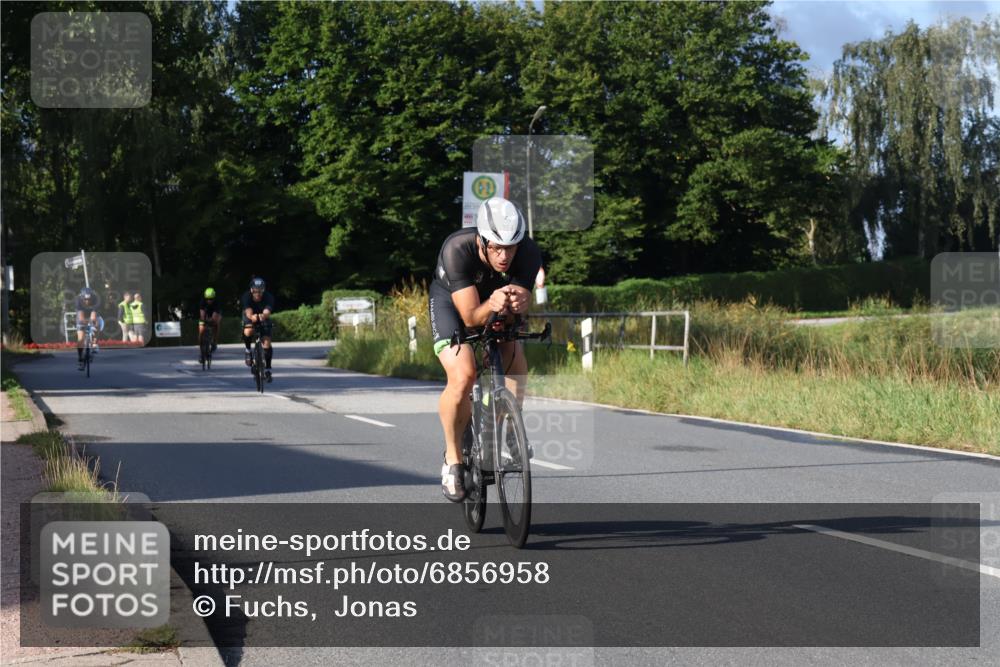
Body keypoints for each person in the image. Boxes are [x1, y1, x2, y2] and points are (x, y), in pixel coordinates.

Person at [429, 197, 541, 501]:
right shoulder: (457, 249)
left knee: (513, 352)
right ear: (481, 240)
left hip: (493, 301)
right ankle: (453, 460)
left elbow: (518, 310)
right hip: (453, 305)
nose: (504, 256)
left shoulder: (528, 252)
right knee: (463, 375)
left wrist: (521, 304)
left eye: (511, 247)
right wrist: (491, 303)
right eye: (495, 247)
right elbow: (469, 318)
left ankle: (507, 425)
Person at [241, 277, 275, 382]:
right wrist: (252, 317)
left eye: (260, 291)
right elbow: (248, 311)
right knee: (248, 330)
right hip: (250, 316)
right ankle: (248, 350)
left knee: (267, 343)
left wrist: (263, 316)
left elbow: (267, 311)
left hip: (263, 316)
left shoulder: (268, 297)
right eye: (256, 291)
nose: (258, 293)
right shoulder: (246, 296)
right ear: (252, 290)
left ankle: (268, 369)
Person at [75, 287, 103, 370]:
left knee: (96, 322)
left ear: (92, 297)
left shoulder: (96, 299)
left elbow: (93, 316)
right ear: (82, 297)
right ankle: (80, 358)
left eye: (89, 299)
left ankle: (94, 343)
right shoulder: (78, 300)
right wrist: (84, 324)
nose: (87, 301)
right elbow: (81, 318)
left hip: (92, 313)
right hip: (82, 314)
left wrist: (93, 324)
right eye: (85, 299)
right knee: (80, 339)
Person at [198, 287, 222, 362]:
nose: (209, 301)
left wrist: (211, 321)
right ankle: (202, 352)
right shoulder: (202, 302)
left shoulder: (217, 303)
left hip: (215, 313)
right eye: (207, 299)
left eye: (211, 299)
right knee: (201, 330)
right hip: (206, 314)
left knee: (216, 323)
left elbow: (214, 317)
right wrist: (203, 320)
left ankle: (214, 342)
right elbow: (202, 315)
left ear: (214, 298)